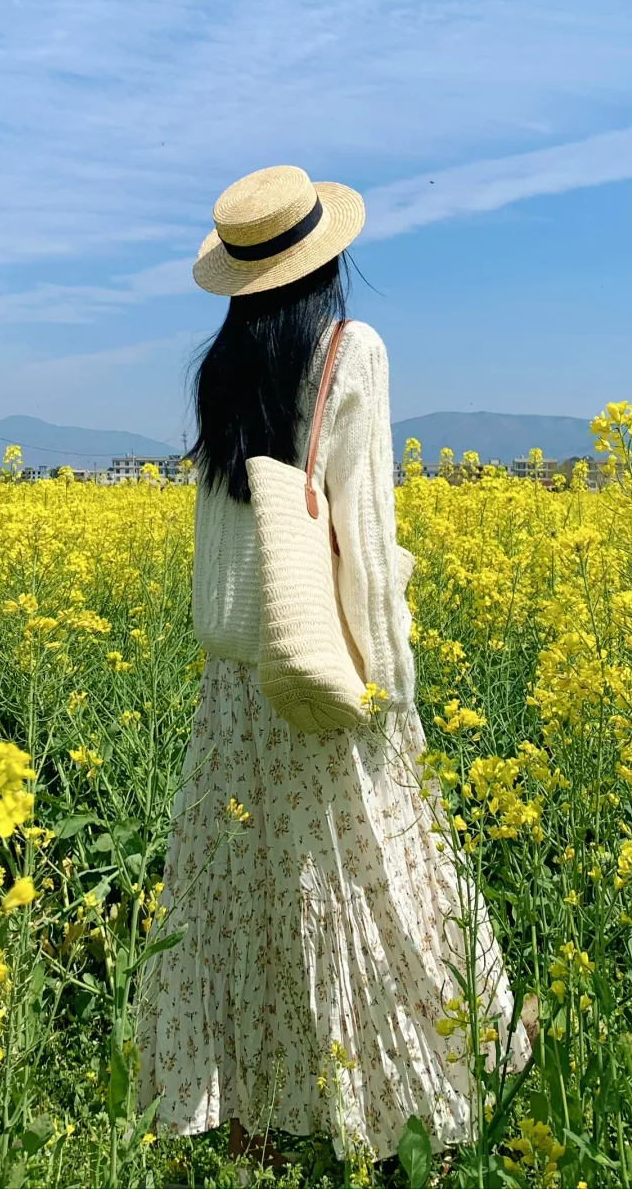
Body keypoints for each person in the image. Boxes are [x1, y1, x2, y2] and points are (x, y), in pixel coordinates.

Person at [137, 165, 528, 1164]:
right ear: (327, 259)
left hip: (237, 679)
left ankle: (255, 1118)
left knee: (248, 892)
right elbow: (360, 524)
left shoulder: (222, 370)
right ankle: (416, 1108)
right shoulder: (352, 351)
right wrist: (391, 688)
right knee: (374, 883)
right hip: (319, 668)